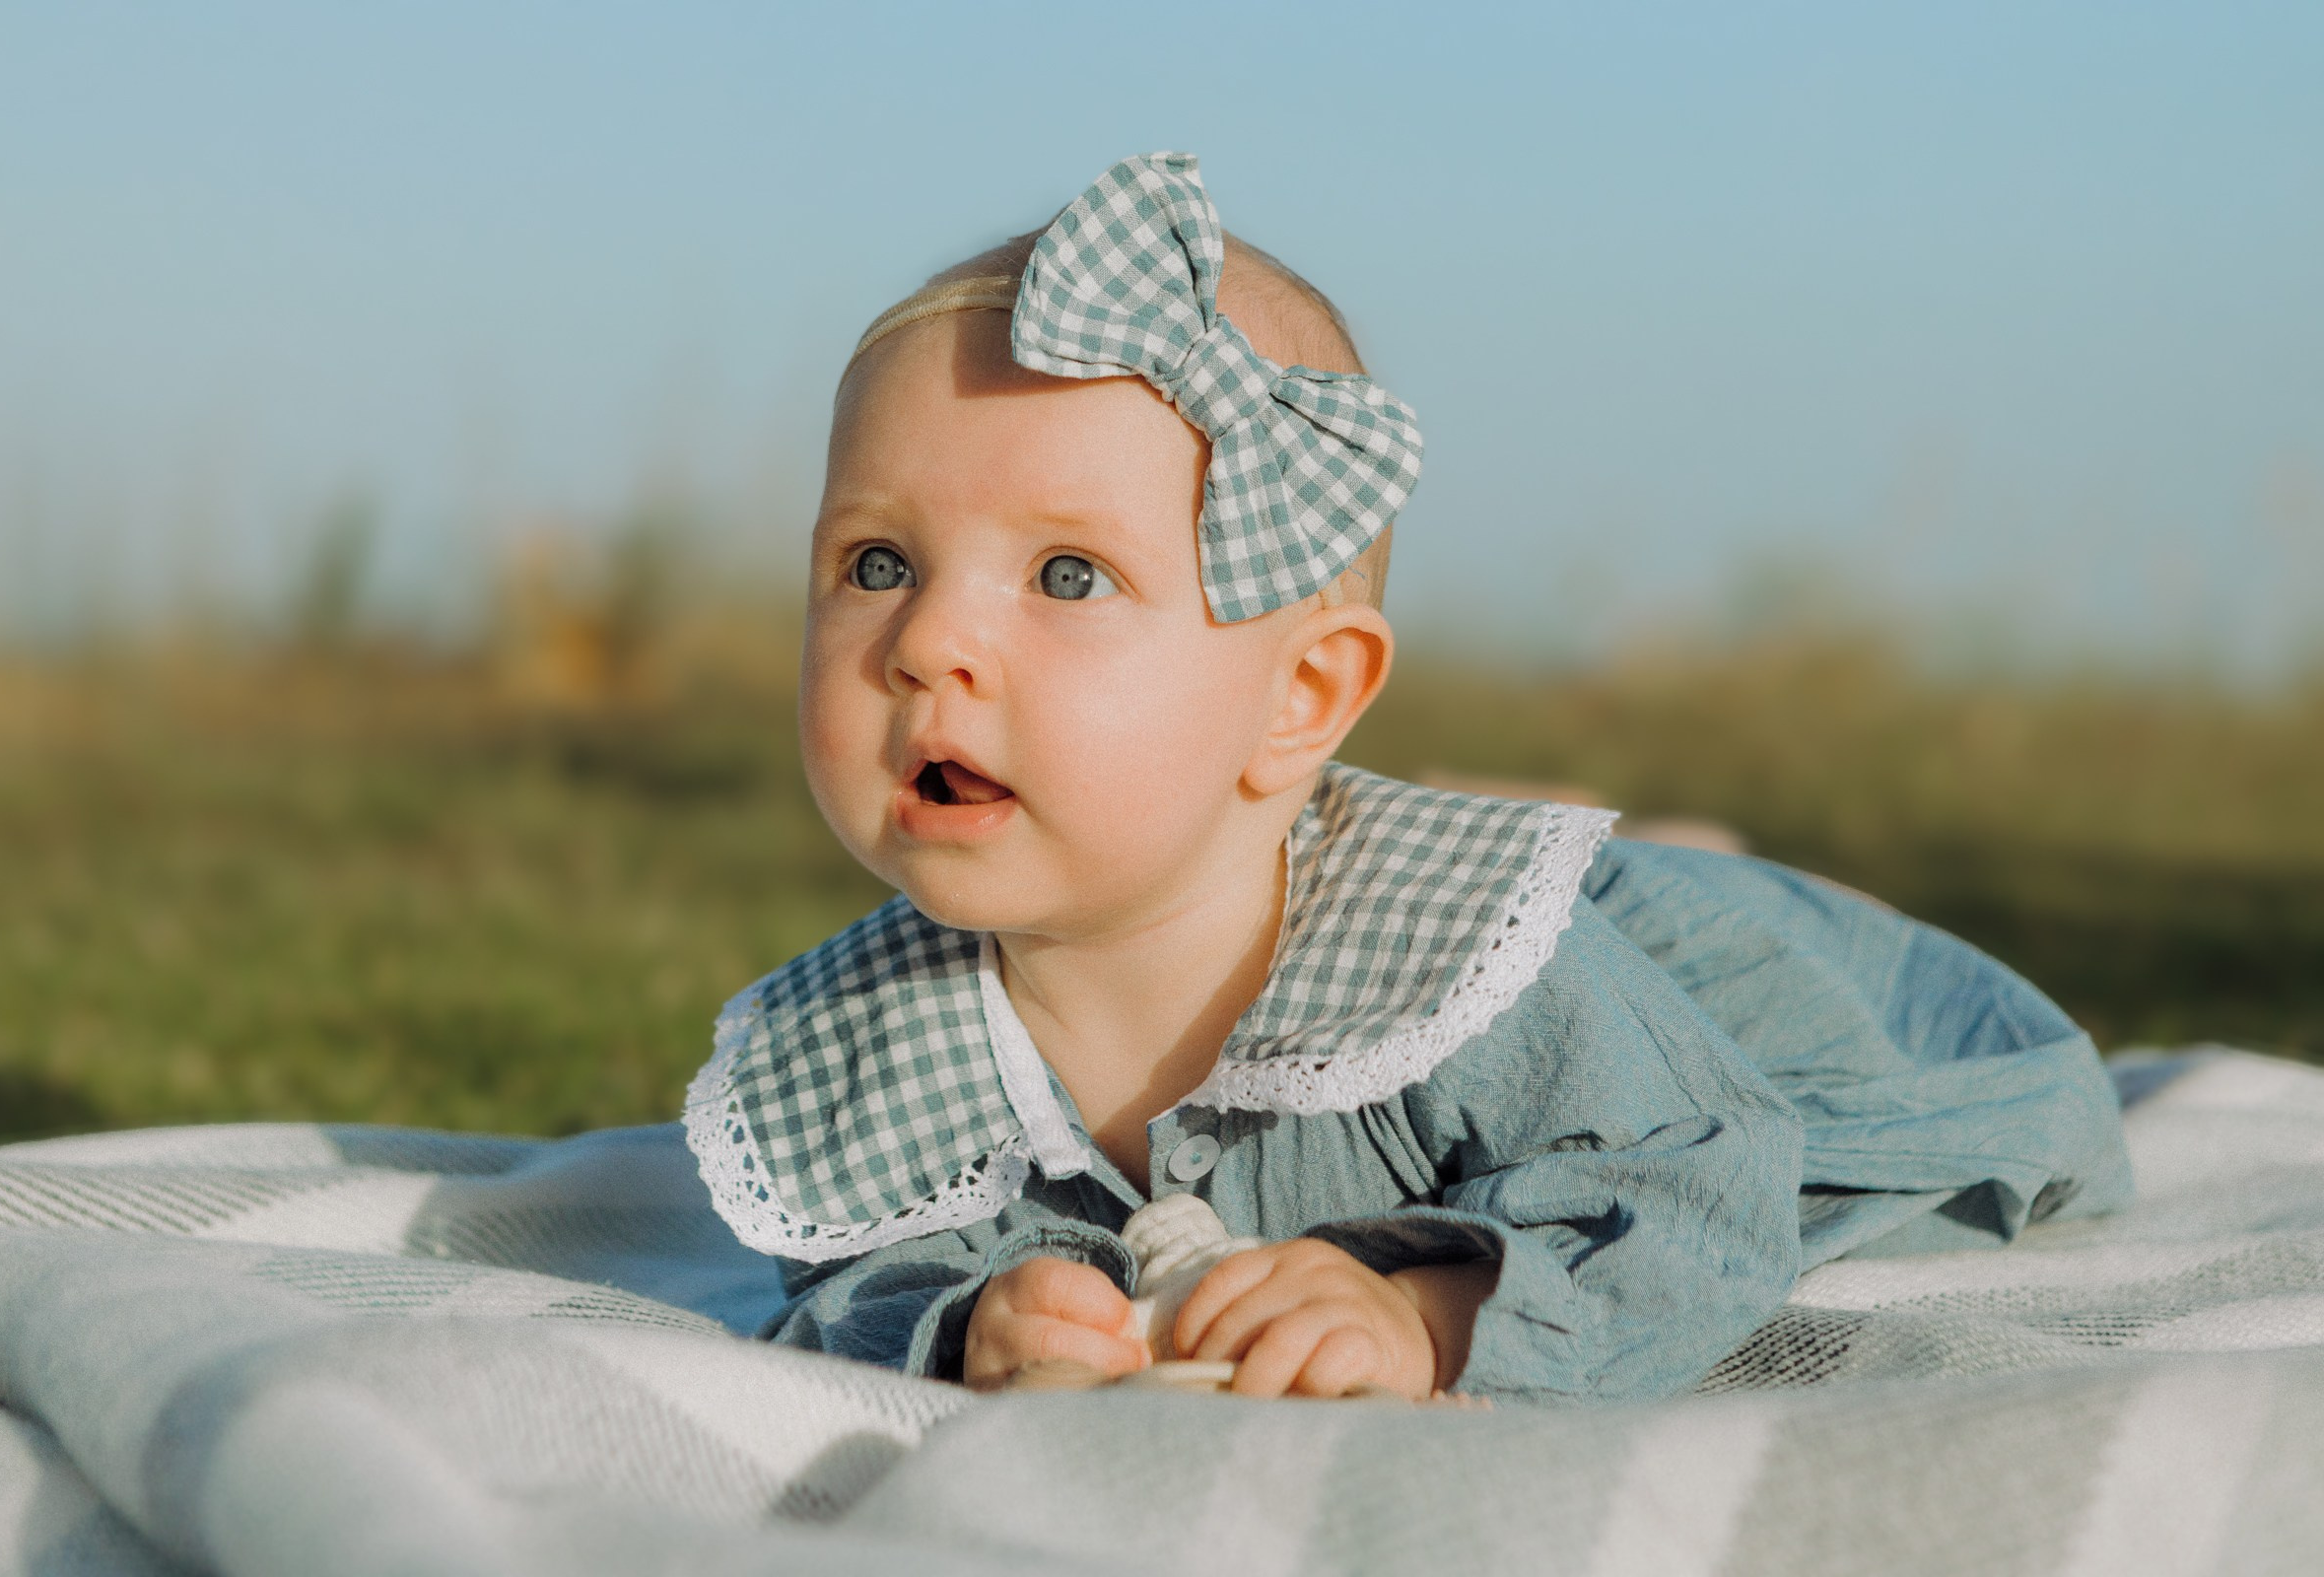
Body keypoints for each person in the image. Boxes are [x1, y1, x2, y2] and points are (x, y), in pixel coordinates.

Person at [683, 153, 2131, 1404]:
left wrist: (1432, 1313)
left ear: (1300, 698)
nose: (926, 643)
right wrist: (966, 1328)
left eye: (1068, 575)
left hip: (1719, 1001)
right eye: (878, 563)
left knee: (1736, 951)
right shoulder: (859, 1047)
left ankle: (1661, 851)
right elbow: (851, 1280)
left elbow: (1698, 1183)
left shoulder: (1468, 965)